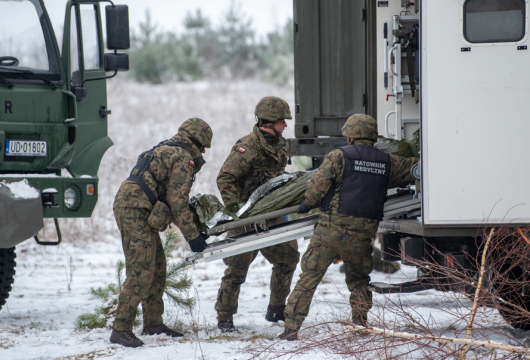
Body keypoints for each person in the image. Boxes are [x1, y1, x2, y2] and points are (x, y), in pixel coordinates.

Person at [278, 114, 419, 341]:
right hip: (362, 235)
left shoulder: (338, 156)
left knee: (309, 278)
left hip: (329, 231)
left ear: (350, 135)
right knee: (359, 281)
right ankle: (361, 324)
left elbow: (318, 186)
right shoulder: (387, 161)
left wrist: (307, 204)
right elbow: (411, 169)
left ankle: (291, 329)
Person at [110, 117, 213, 348]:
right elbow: (178, 203)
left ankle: (153, 324)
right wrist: (193, 236)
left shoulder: (164, 148)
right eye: (204, 146)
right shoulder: (183, 157)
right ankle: (121, 328)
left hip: (136, 207)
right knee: (141, 270)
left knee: (157, 267)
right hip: (134, 210)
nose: (204, 151)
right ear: (197, 142)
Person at [214, 96, 300, 333]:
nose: (285, 125)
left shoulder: (280, 144)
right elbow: (225, 178)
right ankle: (225, 317)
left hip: (272, 216)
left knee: (288, 258)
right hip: (246, 219)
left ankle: (276, 309)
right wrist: (236, 211)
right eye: (282, 121)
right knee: (236, 269)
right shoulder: (248, 146)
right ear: (269, 122)